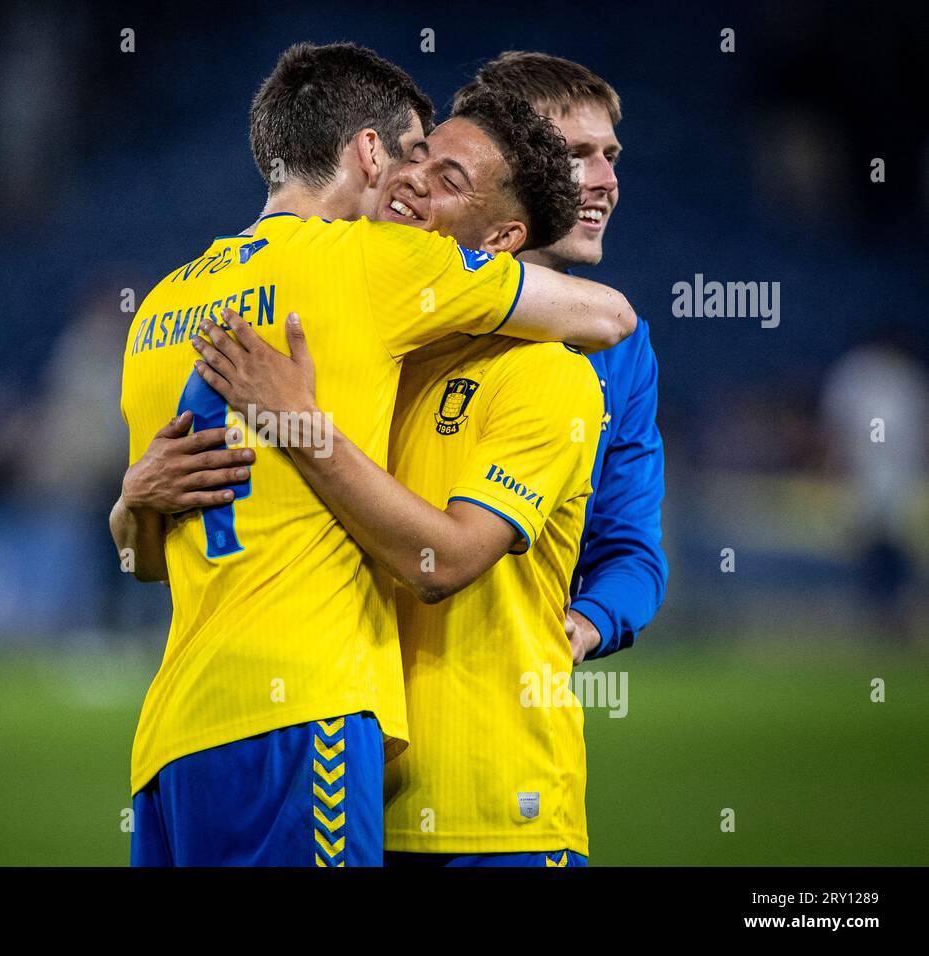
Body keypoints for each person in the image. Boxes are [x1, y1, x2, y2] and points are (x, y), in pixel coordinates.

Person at [113, 42, 634, 866]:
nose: (418, 182)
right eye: (417, 156)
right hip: (306, 713)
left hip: (179, 740)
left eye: (447, 176)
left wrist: (130, 505)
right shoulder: (372, 274)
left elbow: (145, 552)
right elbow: (610, 314)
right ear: (367, 151)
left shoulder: (158, 313)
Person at [458, 52, 668, 664]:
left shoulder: (623, 350)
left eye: (611, 156)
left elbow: (629, 546)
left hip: (515, 705)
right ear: (502, 169)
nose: (605, 179)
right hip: (366, 703)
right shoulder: (407, 299)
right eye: (577, 155)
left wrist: (588, 622)